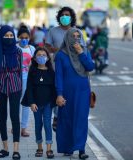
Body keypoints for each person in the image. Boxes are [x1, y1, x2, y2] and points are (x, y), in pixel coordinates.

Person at [55, 28, 94, 159]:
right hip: (66, 92)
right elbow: (59, 76)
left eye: (78, 36)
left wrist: (81, 53)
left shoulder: (85, 51)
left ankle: (81, 149)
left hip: (83, 91)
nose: (76, 39)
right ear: (68, 38)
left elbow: (90, 67)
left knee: (81, 119)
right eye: (73, 36)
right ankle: (68, 147)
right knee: (67, 119)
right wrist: (59, 94)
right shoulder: (61, 55)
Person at [0, 25, 22, 160]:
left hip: (15, 87)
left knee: (15, 117)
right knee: (2, 117)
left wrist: (21, 90)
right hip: (1, 87)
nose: (9, 38)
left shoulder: (18, 52)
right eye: (6, 36)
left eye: (11, 36)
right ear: (1, 36)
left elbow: (20, 72)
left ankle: (16, 150)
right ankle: (5, 148)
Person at [45, 6, 77, 131]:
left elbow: (82, 49)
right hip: (56, 67)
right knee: (58, 91)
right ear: (59, 17)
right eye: (63, 15)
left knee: (69, 93)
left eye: (67, 15)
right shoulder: (53, 31)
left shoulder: (76, 31)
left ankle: (67, 118)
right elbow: (47, 46)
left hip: (73, 68)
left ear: (71, 17)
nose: (65, 17)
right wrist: (58, 50)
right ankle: (57, 116)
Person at [21, 47, 56, 159]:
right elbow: (29, 88)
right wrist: (31, 102)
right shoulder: (33, 71)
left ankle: (49, 149)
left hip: (48, 104)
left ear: (47, 57)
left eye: (43, 55)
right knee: (38, 125)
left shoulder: (51, 72)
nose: (41, 57)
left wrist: (52, 102)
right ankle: (39, 147)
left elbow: (54, 89)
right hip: (36, 103)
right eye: (39, 55)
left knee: (47, 124)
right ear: (35, 58)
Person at [17, 26, 36, 137]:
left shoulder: (32, 49)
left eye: (26, 37)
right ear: (18, 37)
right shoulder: (14, 48)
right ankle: (15, 126)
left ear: (29, 38)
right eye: (22, 37)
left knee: (25, 104)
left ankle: (23, 128)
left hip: (28, 80)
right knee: (15, 104)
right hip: (15, 79)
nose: (24, 39)